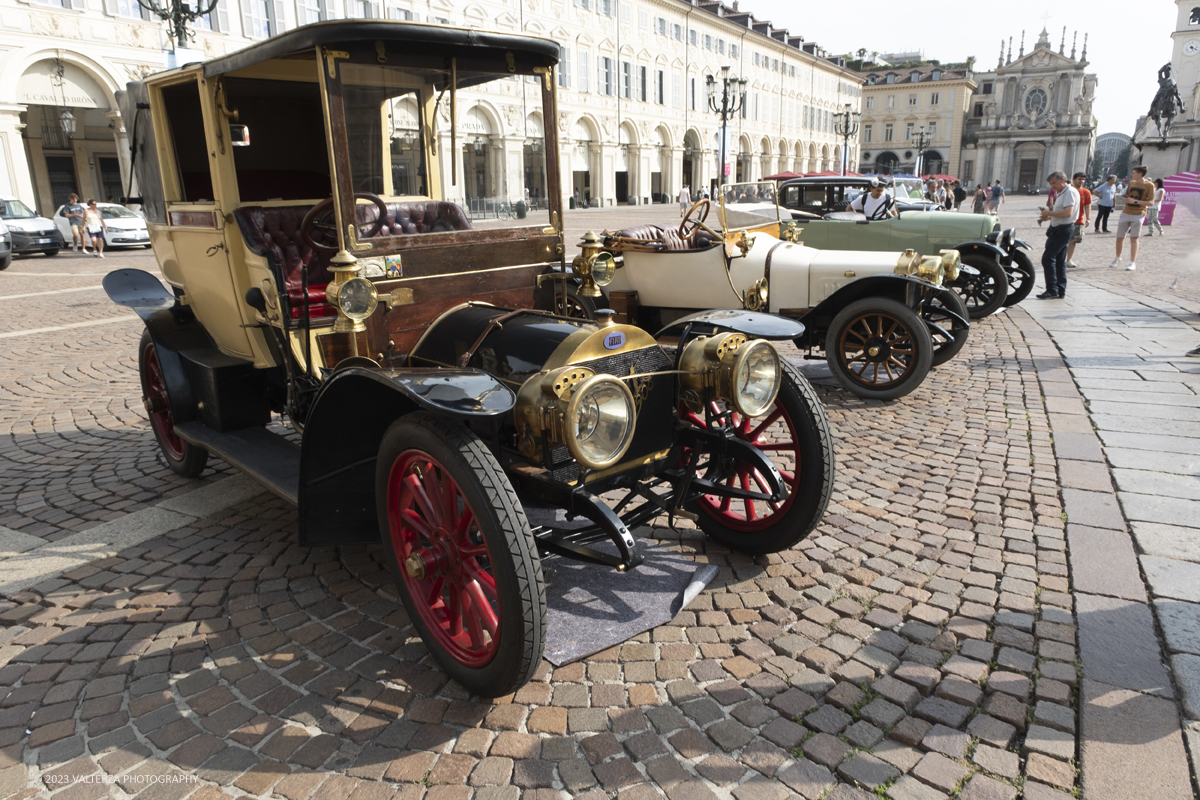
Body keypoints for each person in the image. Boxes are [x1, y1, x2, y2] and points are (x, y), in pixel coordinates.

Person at [1036, 171, 1078, 299]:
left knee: (1048, 258)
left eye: (1054, 183)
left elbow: (1068, 213)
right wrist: (1048, 217)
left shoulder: (1069, 192)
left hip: (1062, 230)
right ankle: (1060, 289)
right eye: (1050, 184)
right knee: (1059, 261)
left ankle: (1052, 289)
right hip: (1060, 228)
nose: (1052, 186)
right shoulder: (1062, 192)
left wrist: (1050, 213)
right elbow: (1062, 214)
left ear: (1063, 180)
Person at [1111, 166, 1154, 271]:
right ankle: (1117, 257)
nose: (1131, 175)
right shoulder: (1132, 183)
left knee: (1134, 238)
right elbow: (1128, 196)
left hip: (1139, 213)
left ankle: (1132, 262)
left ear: (1140, 174)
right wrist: (1126, 199)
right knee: (1119, 237)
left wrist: (1135, 201)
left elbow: (1151, 202)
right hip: (1126, 212)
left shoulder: (1149, 185)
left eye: (1134, 173)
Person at [1066, 172, 1092, 268]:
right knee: (1063, 240)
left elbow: (1088, 206)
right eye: (1079, 179)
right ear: (1074, 179)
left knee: (1074, 240)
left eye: (1083, 179)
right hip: (1066, 219)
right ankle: (1059, 258)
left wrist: (1088, 218)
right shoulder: (1068, 191)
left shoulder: (1086, 192)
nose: (1081, 181)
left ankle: (1068, 259)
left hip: (1079, 220)